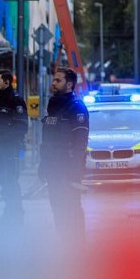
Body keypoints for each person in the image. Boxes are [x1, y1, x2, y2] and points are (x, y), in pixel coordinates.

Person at [38, 67, 89, 239]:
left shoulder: (77, 107)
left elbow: (80, 143)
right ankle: (63, 243)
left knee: (71, 207)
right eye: (54, 80)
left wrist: (74, 172)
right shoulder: (53, 104)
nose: (53, 83)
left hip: (68, 169)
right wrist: (42, 165)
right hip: (52, 166)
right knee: (57, 207)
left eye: (58, 80)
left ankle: (78, 245)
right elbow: (47, 140)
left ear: (69, 85)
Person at [0, 69, 28, 225]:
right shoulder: (1, 100)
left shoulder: (15, 100)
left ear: (7, 82)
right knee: (4, 181)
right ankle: (9, 213)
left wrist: (1, 137)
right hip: (1, 147)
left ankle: (16, 216)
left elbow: (21, 128)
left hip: (12, 148)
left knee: (11, 181)